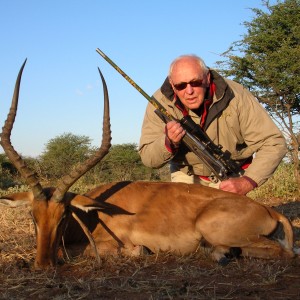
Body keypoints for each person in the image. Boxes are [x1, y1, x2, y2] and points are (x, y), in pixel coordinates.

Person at [138, 54, 287, 195]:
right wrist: (168, 142)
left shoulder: (237, 95)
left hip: (231, 178)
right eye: (181, 86)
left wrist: (247, 181)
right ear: (172, 84)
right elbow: (148, 157)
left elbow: (273, 142)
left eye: (195, 83)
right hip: (187, 175)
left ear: (207, 78)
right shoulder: (159, 102)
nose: (189, 91)